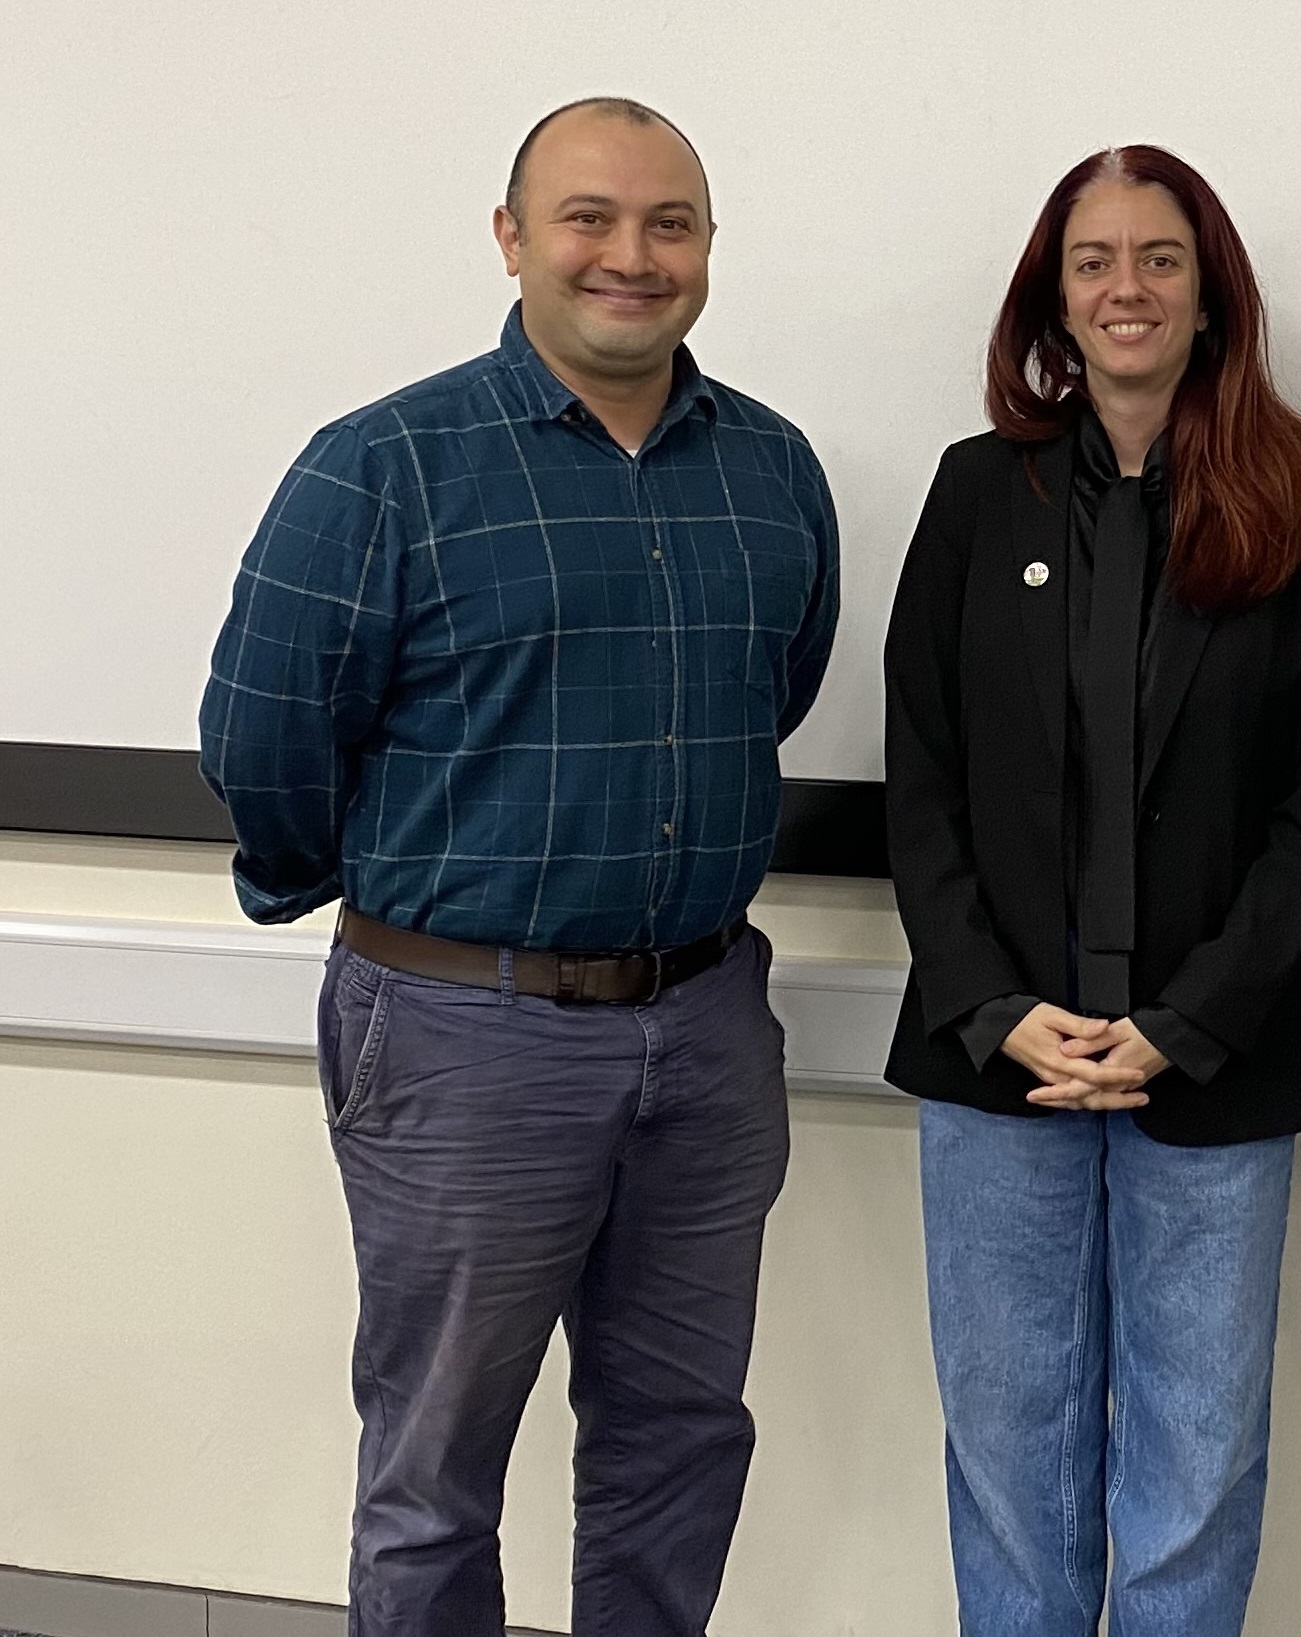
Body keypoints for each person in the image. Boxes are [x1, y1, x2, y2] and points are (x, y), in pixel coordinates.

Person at [198, 97, 840, 1636]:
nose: (631, 256)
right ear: (511, 239)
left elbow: (777, 692)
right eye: (589, 219)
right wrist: (400, 893)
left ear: (705, 249)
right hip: (459, 1035)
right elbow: (262, 742)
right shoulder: (381, 467)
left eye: (669, 224)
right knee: (435, 1474)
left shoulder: (770, 469)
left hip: (702, 1032)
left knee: (679, 1441)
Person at [880, 144, 1301, 1637]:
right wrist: (995, 1002)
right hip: (998, 1060)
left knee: (1196, 1461)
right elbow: (921, 775)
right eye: (1093, 261)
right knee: (1009, 1453)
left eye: (1157, 258)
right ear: (1055, 294)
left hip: (1216, 1063)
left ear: (1209, 292)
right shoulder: (979, 495)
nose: (1125, 288)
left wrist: (1183, 1019)